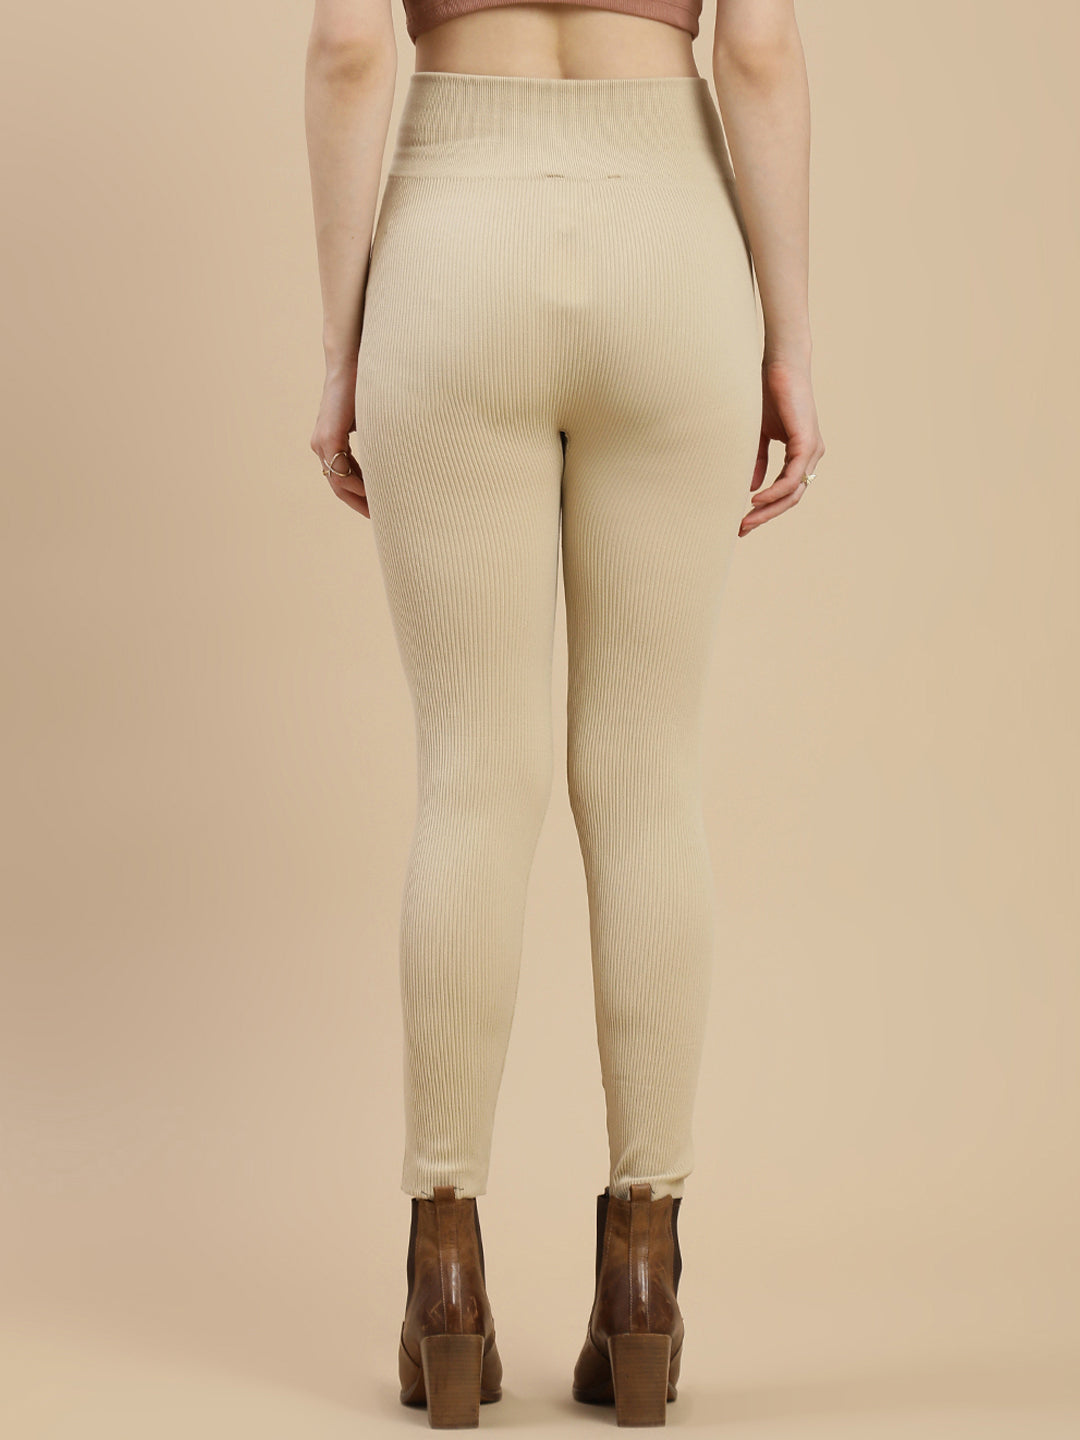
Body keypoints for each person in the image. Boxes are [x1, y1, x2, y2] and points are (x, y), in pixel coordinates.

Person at [305, 0, 824, 1425]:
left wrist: (344, 347)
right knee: (646, 778)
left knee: (472, 778)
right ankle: (643, 1275)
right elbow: (760, 48)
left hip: (454, 241)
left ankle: (445, 1277)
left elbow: (349, 47)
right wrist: (787, 343)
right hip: (670, 244)